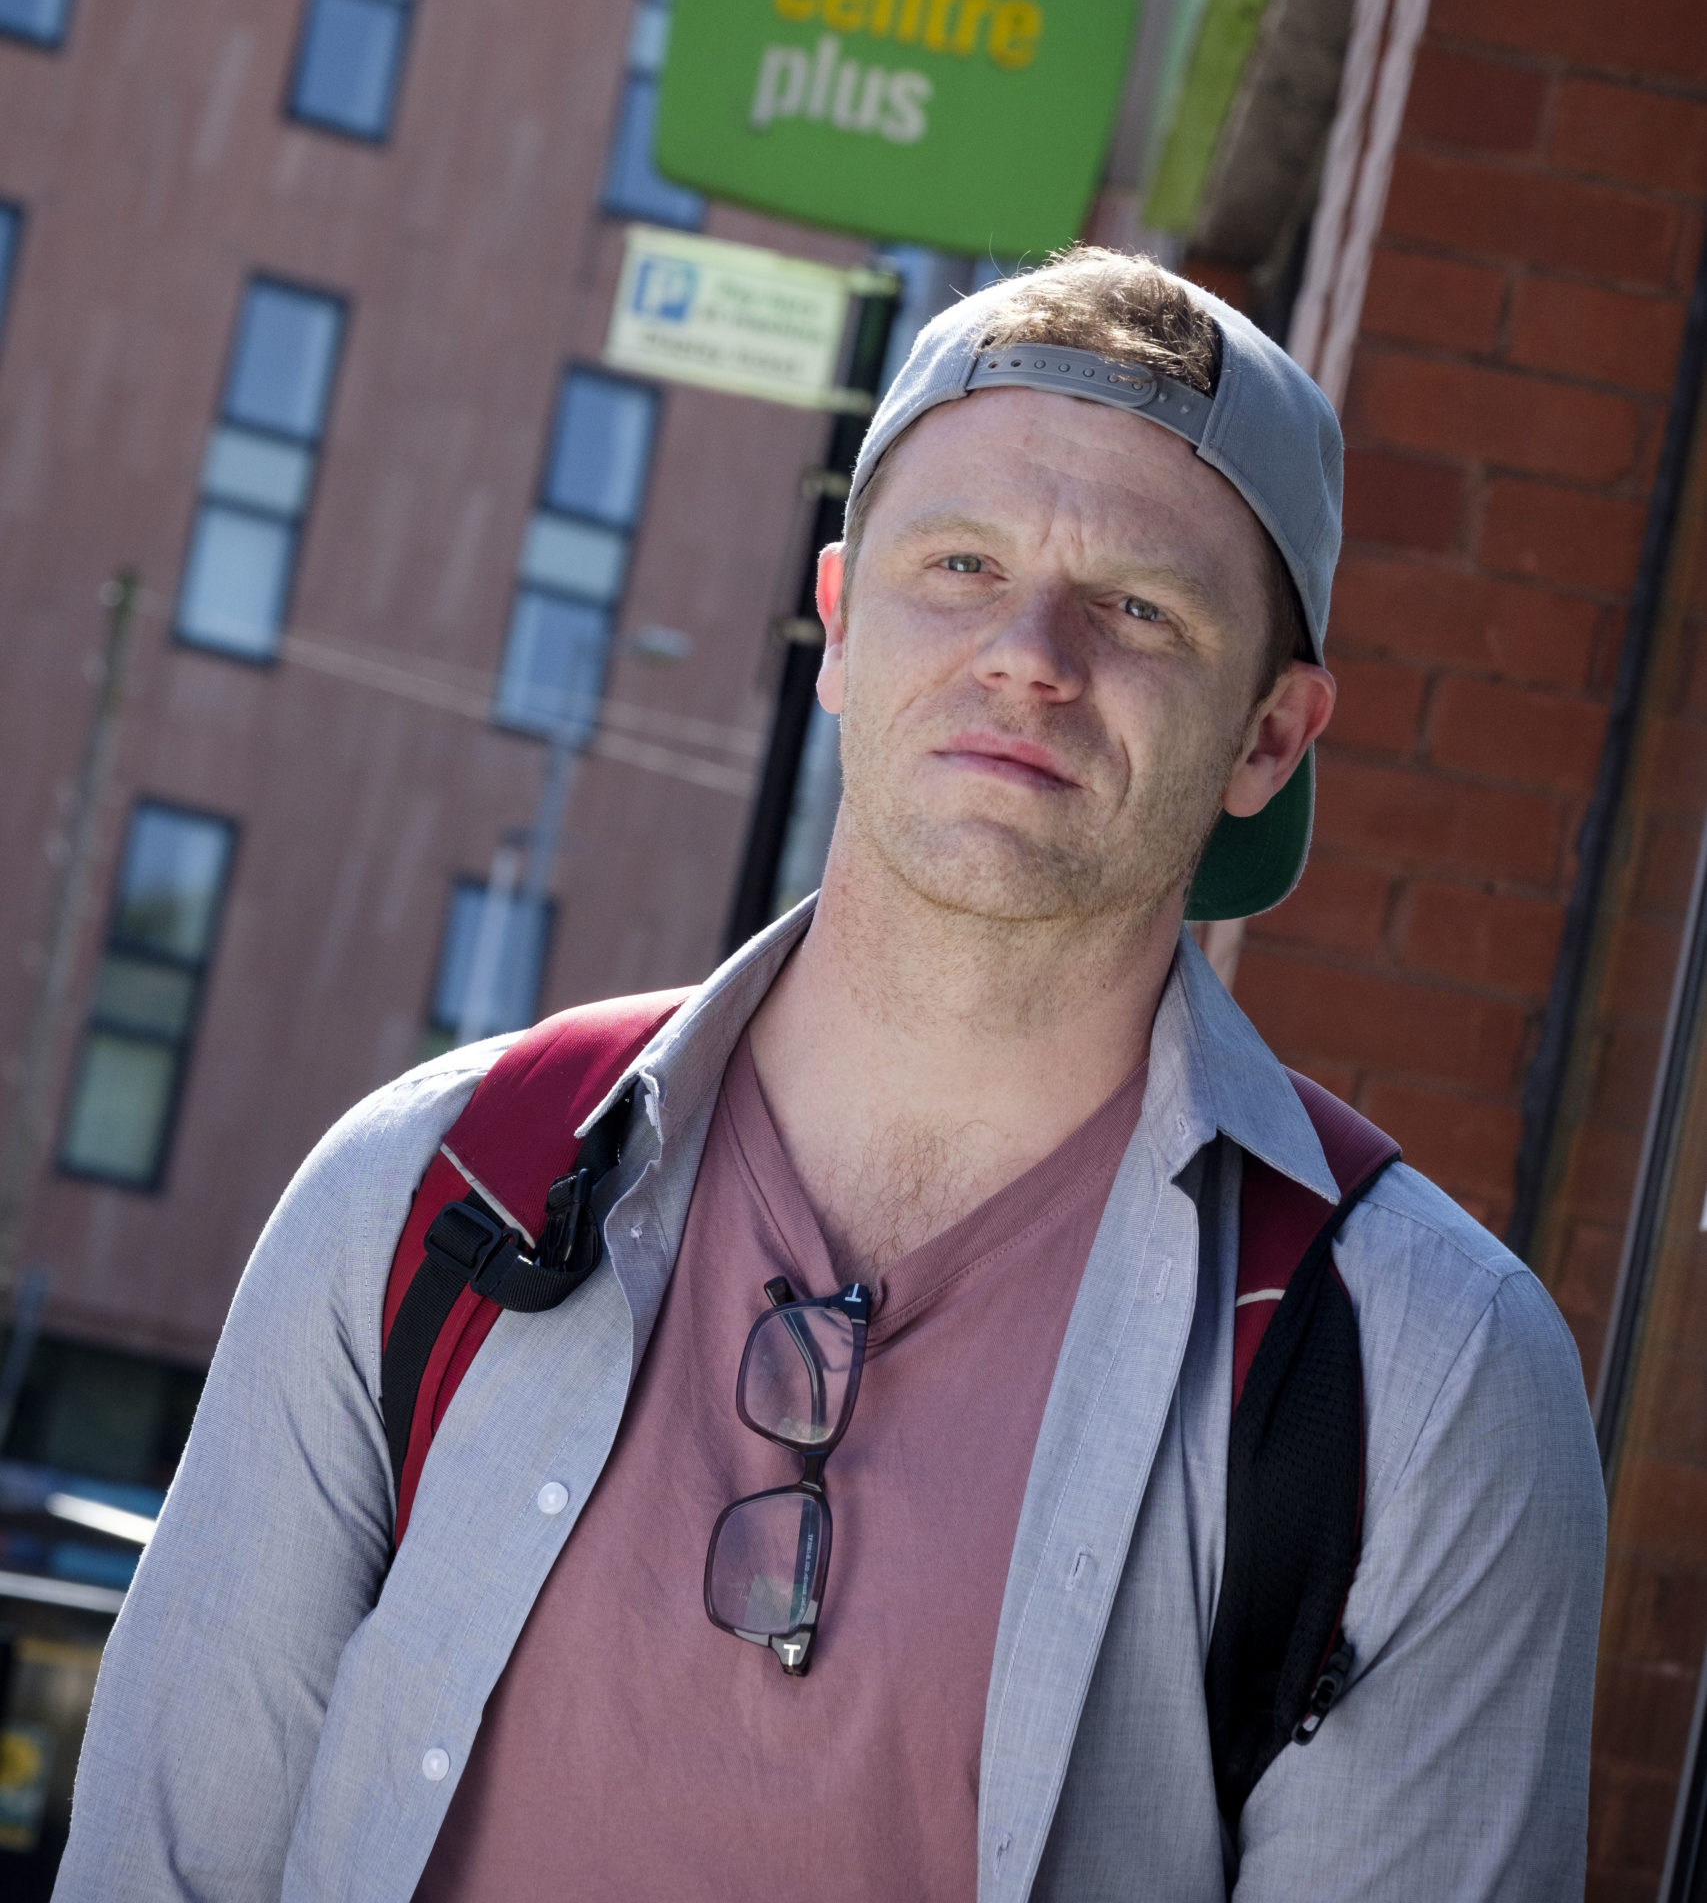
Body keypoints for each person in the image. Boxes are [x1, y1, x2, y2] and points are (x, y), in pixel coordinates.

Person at [59, 248, 1604, 1902]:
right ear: (844, 627)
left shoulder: (1417, 1387)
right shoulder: (429, 1195)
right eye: (960, 563)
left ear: (1268, 740)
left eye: (1142, 607)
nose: (1031, 650)